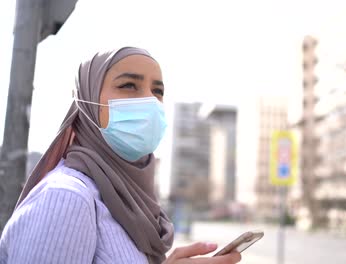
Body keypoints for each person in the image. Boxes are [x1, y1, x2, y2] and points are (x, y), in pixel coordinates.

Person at [0, 47, 241, 264]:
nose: (149, 100)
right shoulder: (67, 197)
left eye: (157, 91)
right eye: (128, 86)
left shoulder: (128, 199)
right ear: (89, 101)